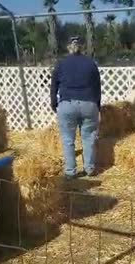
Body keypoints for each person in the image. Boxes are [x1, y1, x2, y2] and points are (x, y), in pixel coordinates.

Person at [50, 36, 101, 180]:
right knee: (89, 138)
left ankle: (71, 172)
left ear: (69, 47)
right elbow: (98, 88)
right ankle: (90, 169)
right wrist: (97, 106)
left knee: (68, 139)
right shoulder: (91, 64)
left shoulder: (61, 64)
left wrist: (54, 103)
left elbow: (54, 85)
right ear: (82, 47)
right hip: (89, 104)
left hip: (67, 104)